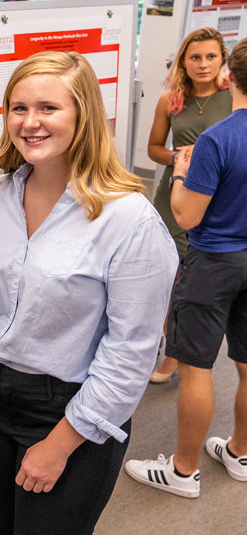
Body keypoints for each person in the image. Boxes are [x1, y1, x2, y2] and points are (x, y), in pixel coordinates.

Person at [0, 50, 177, 534]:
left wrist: (61, 443)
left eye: (48, 108)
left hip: (74, 408)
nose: (30, 122)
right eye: (18, 108)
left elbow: (132, 352)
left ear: (84, 116)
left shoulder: (128, 219)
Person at [125, 38, 247, 499]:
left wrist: (181, 172)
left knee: (195, 368)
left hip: (214, 260)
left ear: (229, 75)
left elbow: (187, 216)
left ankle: (183, 470)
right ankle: (240, 452)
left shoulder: (218, 139)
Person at [146, 27, 231, 383]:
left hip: (217, 198)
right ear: (183, 60)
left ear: (223, 59)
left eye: (211, 56)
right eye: (195, 57)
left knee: (197, 282)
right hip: (174, 195)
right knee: (169, 280)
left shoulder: (234, 96)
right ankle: (168, 348)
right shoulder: (171, 100)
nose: (203, 64)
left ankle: (182, 353)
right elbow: (154, 148)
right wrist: (180, 155)